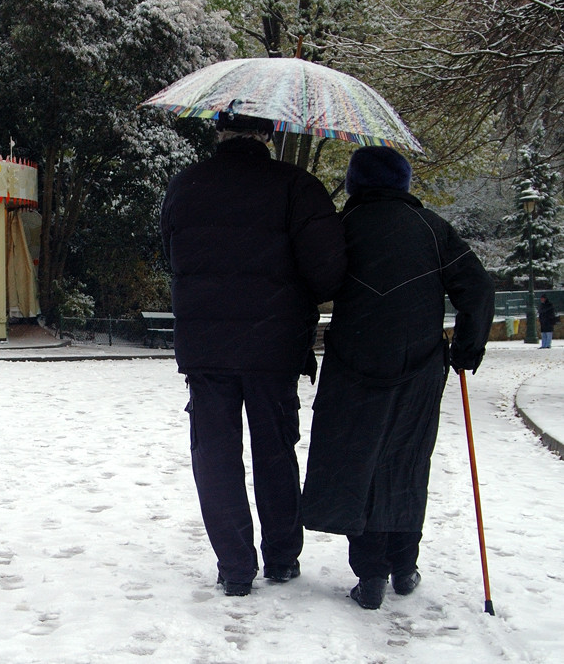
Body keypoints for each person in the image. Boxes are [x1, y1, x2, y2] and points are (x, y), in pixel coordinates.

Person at [301, 146, 495, 610]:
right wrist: (468, 347)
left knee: (357, 463)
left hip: (352, 365)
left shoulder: (342, 229)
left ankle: (369, 576)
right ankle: (404, 566)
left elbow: (312, 284)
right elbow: (478, 288)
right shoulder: (433, 229)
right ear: (403, 182)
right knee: (407, 461)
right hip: (420, 368)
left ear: (355, 184)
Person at [161, 113, 347, 597]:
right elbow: (327, 274)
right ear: (268, 135)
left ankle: (236, 566)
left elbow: (174, 257)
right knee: (275, 452)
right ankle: (282, 558)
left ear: (218, 130)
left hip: (206, 347)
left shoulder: (184, 186)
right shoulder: (297, 187)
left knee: (215, 455)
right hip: (275, 345)